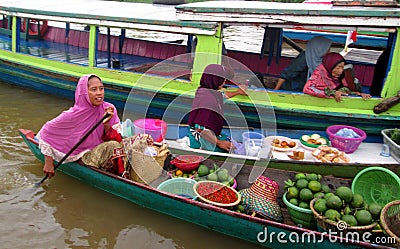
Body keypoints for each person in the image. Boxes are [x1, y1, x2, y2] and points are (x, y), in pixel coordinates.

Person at [37, 74, 122, 178]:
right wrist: (48, 161)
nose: (99, 93)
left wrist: (106, 124)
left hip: (101, 150)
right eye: (94, 89)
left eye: (101, 88)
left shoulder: (109, 109)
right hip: (84, 155)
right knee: (113, 146)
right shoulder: (72, 115)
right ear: (84, 93)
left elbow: (118, 139)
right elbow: (46, 132)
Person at [187, 64, 247, 152]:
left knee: (232, 143)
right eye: (223, 80)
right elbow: (200, 129)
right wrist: (219, 143)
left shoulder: (204, 90)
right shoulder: (208, 101)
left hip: (208, 134)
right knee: (233, 149)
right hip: (200, 140)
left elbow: (222, 96)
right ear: (215, 80)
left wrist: (238, 92)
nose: (224, 82)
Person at [303, 52, 371, 102]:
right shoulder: (319, 74)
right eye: (338, 67)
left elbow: (346, 90)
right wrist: (332, 93)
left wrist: (359, 95)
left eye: (342, 67)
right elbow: (307, 88)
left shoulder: (340, 76)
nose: (341, 71)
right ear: (330, 66)